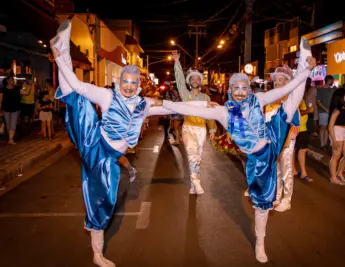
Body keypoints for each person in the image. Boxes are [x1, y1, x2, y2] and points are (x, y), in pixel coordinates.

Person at [51, 20, 207, 267]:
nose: (128, 86)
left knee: (101, 200)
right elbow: (78, 85)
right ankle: (98, 254)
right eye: (125, 81)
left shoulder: (144, 104)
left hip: (111, 156)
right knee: (75, 98)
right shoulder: (107, 95)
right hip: (96, 146)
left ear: (138, 85)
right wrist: (60, 59)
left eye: (133, 83)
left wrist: (211, 107)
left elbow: (176, 106)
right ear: (119, 80)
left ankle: (93, 230)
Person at [154, 38, 316, 263]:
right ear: (230, 90)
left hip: (272, 138)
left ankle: (303, 64)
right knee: (261, 204)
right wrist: (168, 105)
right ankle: (261, 241)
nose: (240, 92)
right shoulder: (223, 113)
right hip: (257, 160)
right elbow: (190, 107)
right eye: (236, 88)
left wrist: (304, 71)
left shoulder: (259, 99)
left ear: (249, 90)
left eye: (244, 88)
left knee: (287, 109)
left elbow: (287, 89)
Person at [172, 50, 217, 195]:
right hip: (188, 128)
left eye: (198, 79)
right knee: (191, 153)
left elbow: (211, 115)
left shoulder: (206, 97)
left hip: (201, 130)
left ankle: (193, 184)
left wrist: (212, 130)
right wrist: (177, 63)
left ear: (201, 81)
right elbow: (179, 81)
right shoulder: (186, 95)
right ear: (190, 82)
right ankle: (197, 183)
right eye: (193, 79)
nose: (195, 81)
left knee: (197, 157)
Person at [264, 65, 301, 212]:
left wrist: (285, 144)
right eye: (276, 80)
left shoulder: (290, 102)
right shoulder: (270, 100)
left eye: (282, 80)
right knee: (276, 171)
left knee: (286, 170)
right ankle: (277, 197)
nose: (278, 83)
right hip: (272, 143)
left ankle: (287, 199)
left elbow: (295, 126)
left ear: (287, 82)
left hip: (285, 142)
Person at [328, 89, 345, 185]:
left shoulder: (343, 107)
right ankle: (333, 178)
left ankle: (339, 173)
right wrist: (334, 140)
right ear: (341, 96)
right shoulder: (336, 109)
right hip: (337, 132)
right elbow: (330, 126)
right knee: (336, 156)